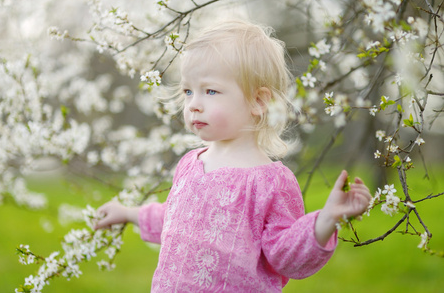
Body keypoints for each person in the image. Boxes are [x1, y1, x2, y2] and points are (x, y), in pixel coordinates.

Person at [95, 19, 372, 292]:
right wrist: (129, 213)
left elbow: (285, 255)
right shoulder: (191, 164)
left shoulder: (269, 182)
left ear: (258, 101)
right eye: (188, 91)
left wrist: (326, 220)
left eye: (210, 91)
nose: (193, 105)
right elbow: (175, 218)